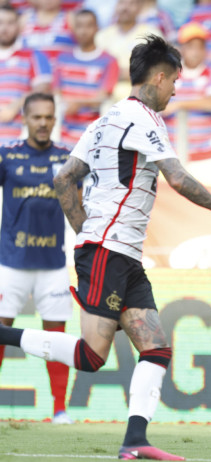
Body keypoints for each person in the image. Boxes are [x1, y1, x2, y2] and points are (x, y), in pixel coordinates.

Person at [0, 34, 211, 460]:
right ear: (159, 76)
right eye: (175, 81)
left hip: (121, 253)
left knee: (156, 348)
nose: (176, 91)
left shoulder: (101, 122)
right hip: (108, 251)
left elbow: (64, 178)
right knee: (90, 357)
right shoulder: (145, 120)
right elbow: (177, 177)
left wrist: (84, 232)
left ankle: (135, 440)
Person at [0, 93, 74, 424]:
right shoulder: (7, 156)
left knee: (56, 339)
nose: (43, 123)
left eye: (48, 117)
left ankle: (59, 409)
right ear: (25, 120)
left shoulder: (68, 158)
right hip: (10, 263)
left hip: (52, 265)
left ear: (55, 119)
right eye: (36, 117)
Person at [54, 8, 119, 148]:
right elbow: (56, 93)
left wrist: (78, 103)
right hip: (63, 133)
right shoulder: (62, 58)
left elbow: (103, 97)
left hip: (94, 136)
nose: (83, 31)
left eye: (88, 25)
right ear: (73, 29)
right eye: (79, 26)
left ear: (97, 28)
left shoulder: (109, 60)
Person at [162, 22, 211, 162]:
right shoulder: (169, 72)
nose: (195, 52)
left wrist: (178, 105)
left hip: (205, 150)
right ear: (181, 48)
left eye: (200, 47)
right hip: (171, 151)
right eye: (190, 47)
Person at [0, 4, 52, 143]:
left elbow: (42, 88)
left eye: (10, 23)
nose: (4, 28)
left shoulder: (34, 55)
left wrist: (15, 106)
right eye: (1, 23)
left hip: (18, 138)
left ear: (19, 25)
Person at [95, 0, 163, 102]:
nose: (125, 8)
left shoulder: (152, 35)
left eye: (131, 3)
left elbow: (154, 73)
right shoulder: (102, 36)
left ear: (140, 7)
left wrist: (113, 72)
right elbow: (95, 71)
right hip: (106, 104)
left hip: (141, 102)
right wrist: (128, 73)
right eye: (121, 3)